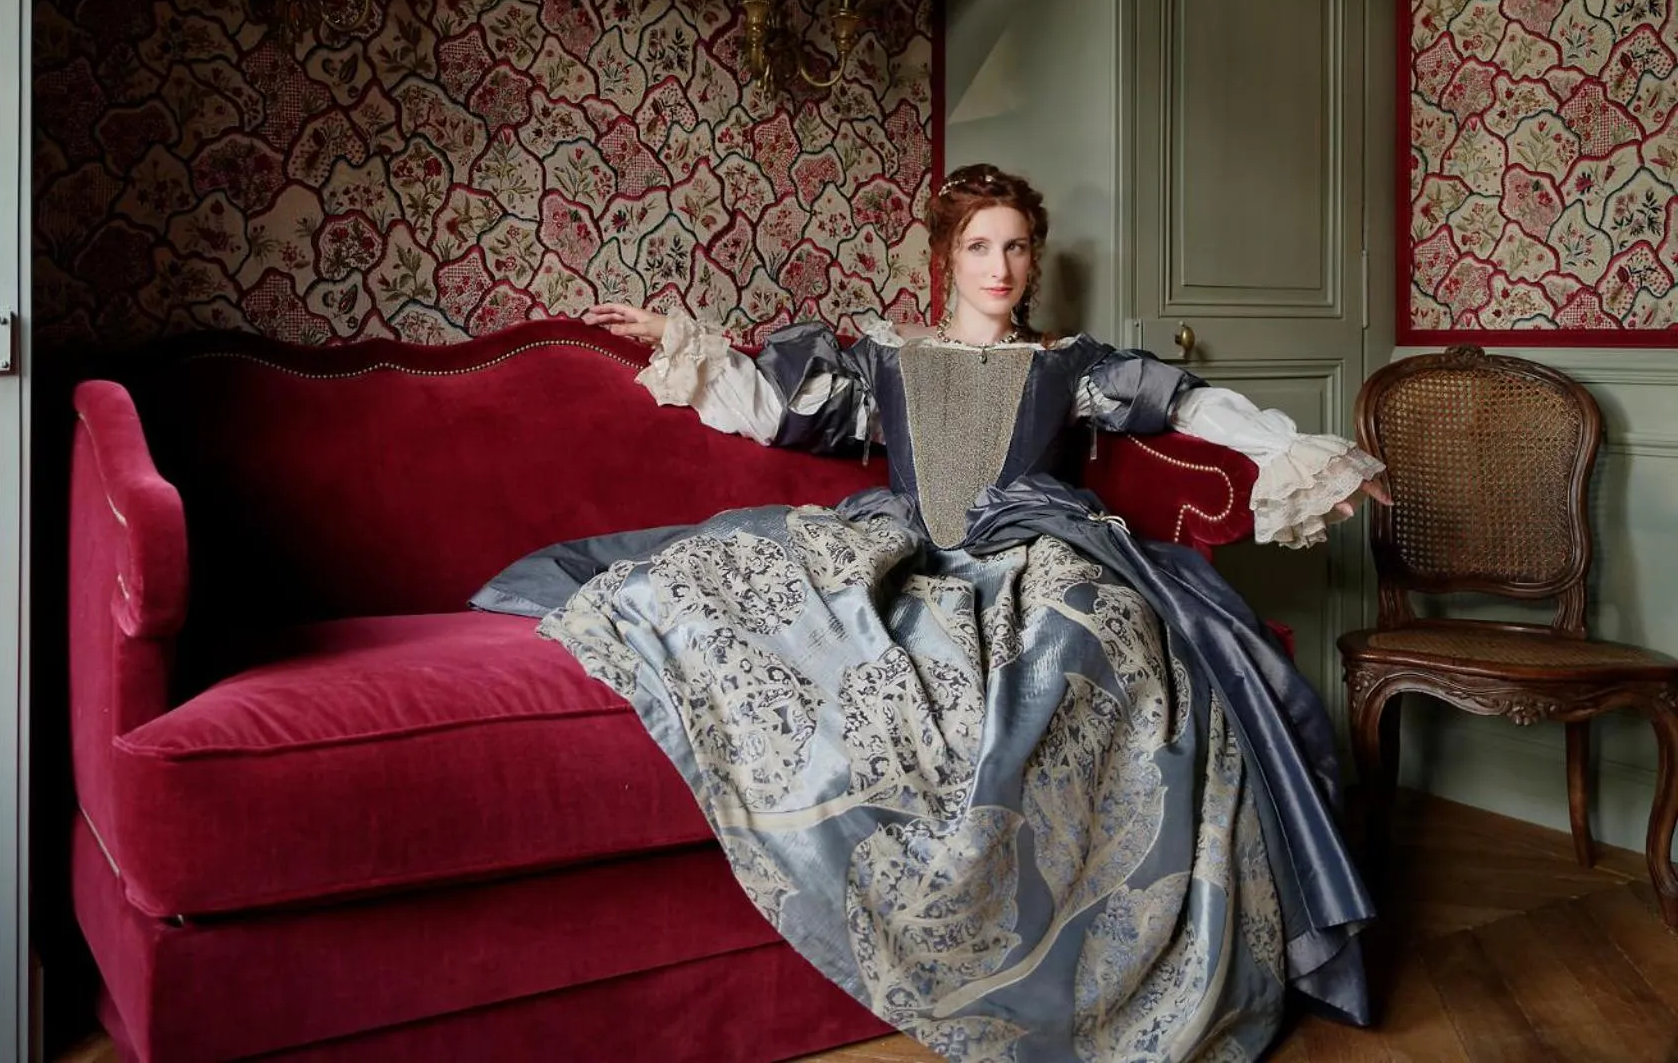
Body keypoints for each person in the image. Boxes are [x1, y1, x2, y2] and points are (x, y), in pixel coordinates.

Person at [471, 164, 1390, 1063]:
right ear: (945, 258)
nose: (1000, 266)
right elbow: (774, 410)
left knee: (1100, 637)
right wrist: (682, 338)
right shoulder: (888, 359)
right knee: (738, 593)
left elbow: (1187, 401)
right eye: (979, 246)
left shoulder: (1067, 364)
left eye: (1017, 248)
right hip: (908, 547)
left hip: (1033, 545)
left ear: (1035, 262)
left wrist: (1301, 454)